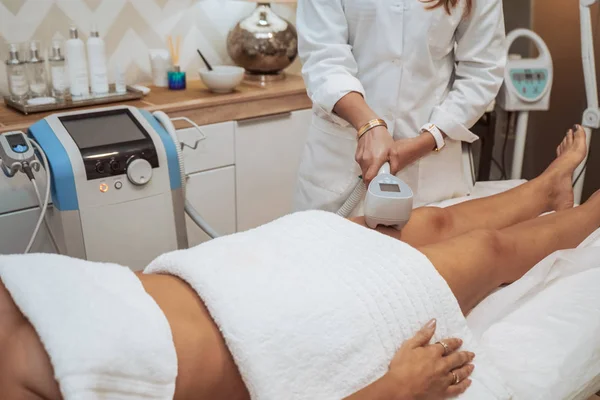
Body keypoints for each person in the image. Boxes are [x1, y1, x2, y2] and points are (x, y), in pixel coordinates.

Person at [0, 127, 595, 400]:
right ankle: (591, 214)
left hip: (250, 267)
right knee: (488, 256)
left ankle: (545, 191)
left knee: (435, 221)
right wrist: (393, 390)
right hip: (290, 331)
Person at [294, 0, 506, 213]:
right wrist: (369, 125)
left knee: (427, 246)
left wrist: (428, 139)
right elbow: (324, 58)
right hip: (340, 162)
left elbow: (482, 70)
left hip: (430, 170)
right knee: (327, 243)